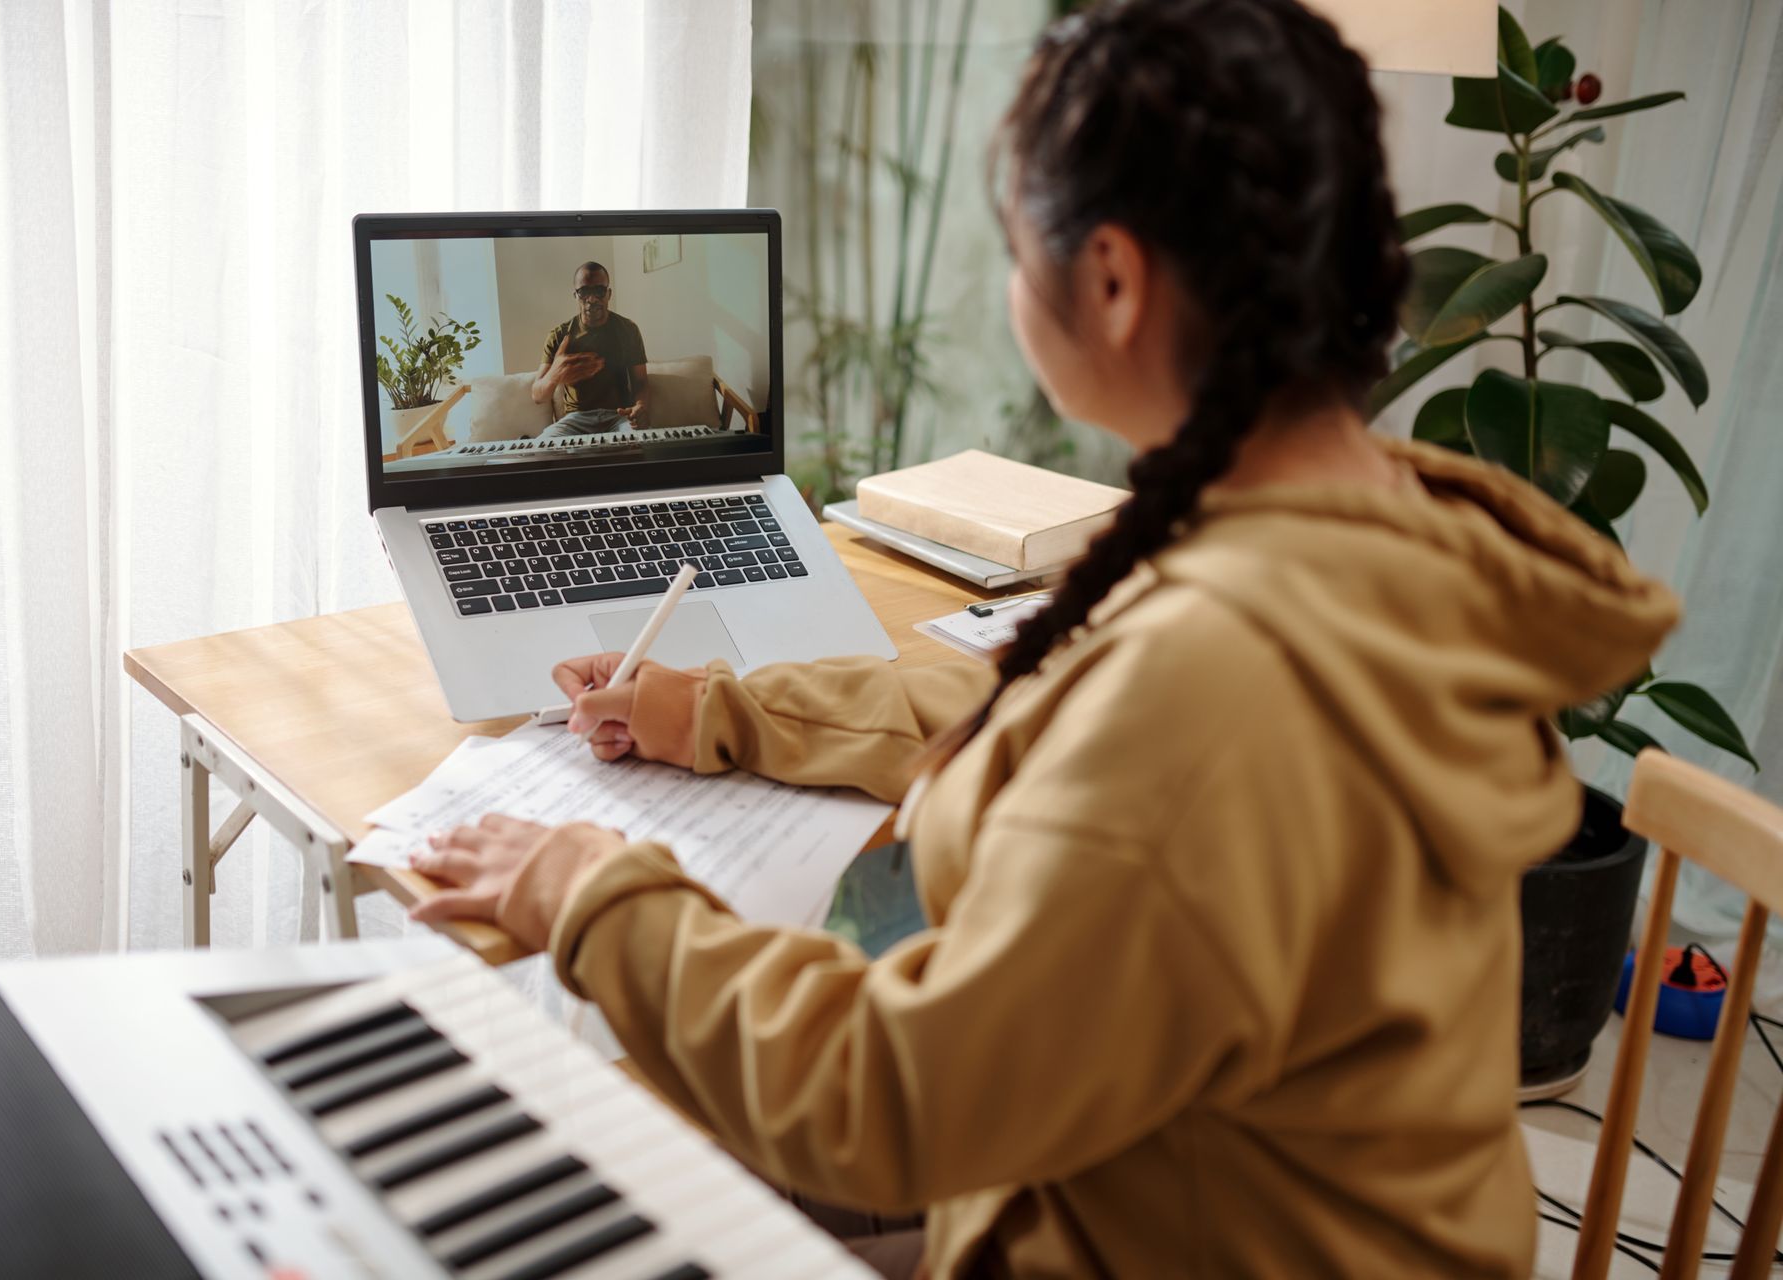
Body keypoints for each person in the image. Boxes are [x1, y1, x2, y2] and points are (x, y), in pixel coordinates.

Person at [408, 1, 1680, 1274]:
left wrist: (593, 890)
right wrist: (715, 710)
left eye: (1018, 249)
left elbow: (890, 1098)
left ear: (1114, 280)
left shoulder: (1221, 676)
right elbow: (1041, 709)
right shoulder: (1368, 531)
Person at [530, 261, 650, 438]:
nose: (592, 299)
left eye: (599, 291)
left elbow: (640, 382)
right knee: (539, 452)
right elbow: (537, 396)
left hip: (618, 417)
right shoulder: (559, 335)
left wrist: (640, 406)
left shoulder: (628, 330)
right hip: (574, 421)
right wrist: (555, 374)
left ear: (608, 294)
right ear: (576, 295)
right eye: (584, 292)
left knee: (643, 444)